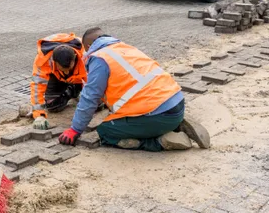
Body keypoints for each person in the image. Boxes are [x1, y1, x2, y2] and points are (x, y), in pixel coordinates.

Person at [58, 28, 210, 151]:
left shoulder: (99, 58)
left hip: (157, 116)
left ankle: (160, 141)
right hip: (177, 104)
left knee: (106, 131)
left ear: (89, 47)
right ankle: (176, 124)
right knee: (139, 115)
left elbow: (90, 97)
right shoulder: (126, 48)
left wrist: (75, 129)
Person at [30, 33, 87, 130]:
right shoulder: (43, 60)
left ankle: (77, 88)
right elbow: (37, 86)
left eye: (69, 68)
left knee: (96, 104)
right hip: (56, 76)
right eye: (63, 69)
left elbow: (95, 81)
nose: (67, 72)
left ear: (74, 58)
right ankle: (71, 91)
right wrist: (39, 114)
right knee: (53, 106)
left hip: (79, 78)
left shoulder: (85, 55)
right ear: (54, 62)